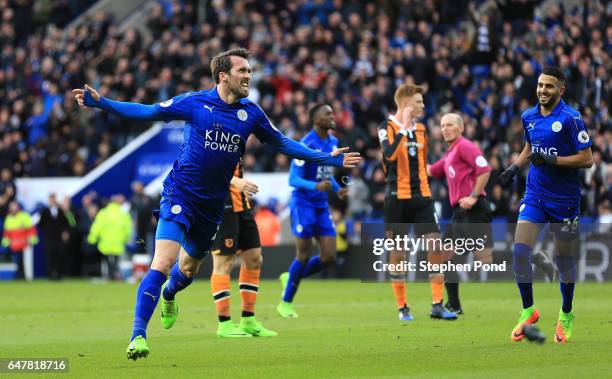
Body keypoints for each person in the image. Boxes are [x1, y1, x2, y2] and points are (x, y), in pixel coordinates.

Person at [72, 48, 360, 360]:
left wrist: (326, 158)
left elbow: (284, 144)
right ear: (223, 76)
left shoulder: (251, 113)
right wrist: (102, 104)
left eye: (249, 71)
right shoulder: (195, 102)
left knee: (187, 269)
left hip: (212, 207)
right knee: (163, 262)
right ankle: (138, 336)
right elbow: (149, 111)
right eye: (242, 71)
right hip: (180, 195)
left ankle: (169, 294)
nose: (248, 76)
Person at [498, 66, 593, 343]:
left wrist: (553, 160)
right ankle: (528, 310)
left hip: (565, 201)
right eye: (540, 85)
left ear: (561, 89)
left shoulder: (571, 119)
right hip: (536, 194)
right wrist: (514, 168)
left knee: (564, 263)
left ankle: (566, 313)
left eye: (549, 86)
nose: (542, 90)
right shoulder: (528, 116)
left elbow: (586, 159)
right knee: (519, 251)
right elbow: (531, 146)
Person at [378, 84, 456, 321]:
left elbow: (422, 164)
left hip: (421, 196)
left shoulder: (422, 130)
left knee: (435, 246)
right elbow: (389, 155)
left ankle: (437, 305)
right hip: (396, 197)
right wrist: (402, 129)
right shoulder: (387, 127)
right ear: (406, 104)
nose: (423, 106)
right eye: (419, 102)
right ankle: (403, 307)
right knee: (398, 254)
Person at [277, 104, 348, 318]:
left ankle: (289, 277)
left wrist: (337, 189)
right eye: (327, 114)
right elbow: (293, 179)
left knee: (329, 256)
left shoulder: (333, 142)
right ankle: (286, 303)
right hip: (302, 203)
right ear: (316, 120)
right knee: (305, 253)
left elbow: (326, 174)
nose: (332, 116)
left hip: (320, 204)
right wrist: (315, 187)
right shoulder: (305, 144)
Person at [428, 113, 493, 314]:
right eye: (442, 125)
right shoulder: (450, 153)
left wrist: (473, 196)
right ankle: (454, 304)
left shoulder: (465, 146)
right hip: (460, 211)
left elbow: (485, 170)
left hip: (474, 208)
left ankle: (534, 258)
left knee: (487, 260)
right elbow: (431, 170)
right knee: (443, 254)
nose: (445, 128)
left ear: (460, 128)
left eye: (450, 125)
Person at [209, 160, 277, 337]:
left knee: (254, 259)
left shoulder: (239, 135)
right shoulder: (210, 135)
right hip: (220, 205)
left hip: (242, 204)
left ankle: (248, 320)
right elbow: (204, 167)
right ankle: (224, 324)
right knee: (224, 262)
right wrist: (233, 180)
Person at [87, 195, 132, 280]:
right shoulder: (123, 213)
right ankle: (115, 275)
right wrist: (125, 239)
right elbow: (128, 228)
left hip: (105, 243)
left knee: (106, 261)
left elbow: (96, 227)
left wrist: (92, 239)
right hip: (118, 243)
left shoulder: (103, 213)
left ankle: (109, 275)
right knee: (116, 261)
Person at [2, 201, 38, 279]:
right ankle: (18, 276)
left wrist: (30, 241)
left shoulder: (25, 216)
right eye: (12, 207)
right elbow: (6, 235)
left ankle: (27, 277)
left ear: (18, 207)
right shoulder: (8, 218)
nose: (13, 209)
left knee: (25, 262)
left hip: (25, 245)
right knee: (17, 261)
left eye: (15, 206)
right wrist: (7, 244)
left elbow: (32, 231)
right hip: (14, 247)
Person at [38, 194, 69, 280]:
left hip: (59, 238)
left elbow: (65, 223)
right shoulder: (44, 211)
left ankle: (59, 275)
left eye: (54, 199)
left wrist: (65, 232)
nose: (52, 201)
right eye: (51, 199)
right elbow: (41, 224)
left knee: (59, 257)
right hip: (49, 238)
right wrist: (47, 231)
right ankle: (50, 275)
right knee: (50, 258)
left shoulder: (60, 210)